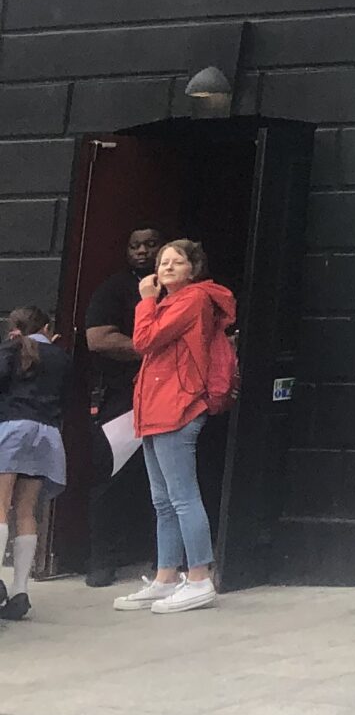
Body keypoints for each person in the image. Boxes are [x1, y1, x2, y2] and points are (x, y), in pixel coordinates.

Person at [118, 237, 233, 616]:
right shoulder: (173, 302)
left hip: (177, 406)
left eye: (176, 261)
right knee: (163, 500)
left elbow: (144, 340)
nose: (166, 266)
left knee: (182, 497)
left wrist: (145, 300)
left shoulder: (192, 299)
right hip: (157, 407)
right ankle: (166, 576)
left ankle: (199, 578)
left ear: (193, 269)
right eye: (163, 262)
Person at [79, 223, 161, 586]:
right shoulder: (114, 288)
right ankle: (102, 560)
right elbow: (98, 339)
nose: (142, 251)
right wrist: (154, 348)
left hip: (174, 398)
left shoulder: (182, 292)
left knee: (168, 484)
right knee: (109, 481)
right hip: (122, 402)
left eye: (150, 244)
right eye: (135, 246)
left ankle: (166, 561)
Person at [0, 306, 71, 620]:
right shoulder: (60, 357)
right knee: (27, 510)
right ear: (46, 328)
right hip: (46, 434)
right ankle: (20, 590)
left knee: (0, 505)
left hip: (12, 428)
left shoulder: (11, 350)